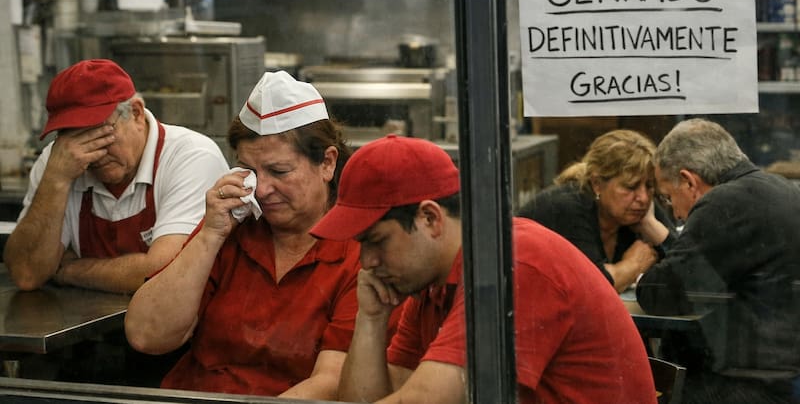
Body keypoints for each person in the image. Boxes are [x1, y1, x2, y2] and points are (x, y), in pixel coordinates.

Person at [310, 134, 657, 404]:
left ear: (430, 218)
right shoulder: (430, 281)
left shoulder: (512, 264)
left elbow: (425, 400)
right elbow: (369, 399)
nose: (367, 262)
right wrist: (370, 320)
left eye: (377, 241)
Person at [124, 71, 394, 399]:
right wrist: (209, 236)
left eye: (279, 171)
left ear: (327, 162)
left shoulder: (360, 251)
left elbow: (331, 382)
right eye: (250, 171)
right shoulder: (230, 228)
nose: (262, 189)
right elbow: (146, 335)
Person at [3, 59, 229, 293]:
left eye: (100, 134)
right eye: (76, 139)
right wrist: (56, 180)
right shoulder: (60, 161)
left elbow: (167, 273)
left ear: (136, 114)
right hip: (89, 315)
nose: (92, 153)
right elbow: (26, 274)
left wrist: (70, 270)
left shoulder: (191, 156)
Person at [633, 118, 800, 404]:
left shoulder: (727, 203)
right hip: (782, 372)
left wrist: (638, 274)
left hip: (741, 383)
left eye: (668, 197)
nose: (676, 214)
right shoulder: (782, 189)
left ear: (689, 181)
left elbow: (661, 293)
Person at [518, 129, 674, 292]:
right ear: (597, 184)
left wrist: (650, 225)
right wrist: (633, 265)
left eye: (649, 186)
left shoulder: (638, 209)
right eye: (630, 187)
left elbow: (686, 266)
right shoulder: (568, 207)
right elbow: (592, 289)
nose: (643, 197)